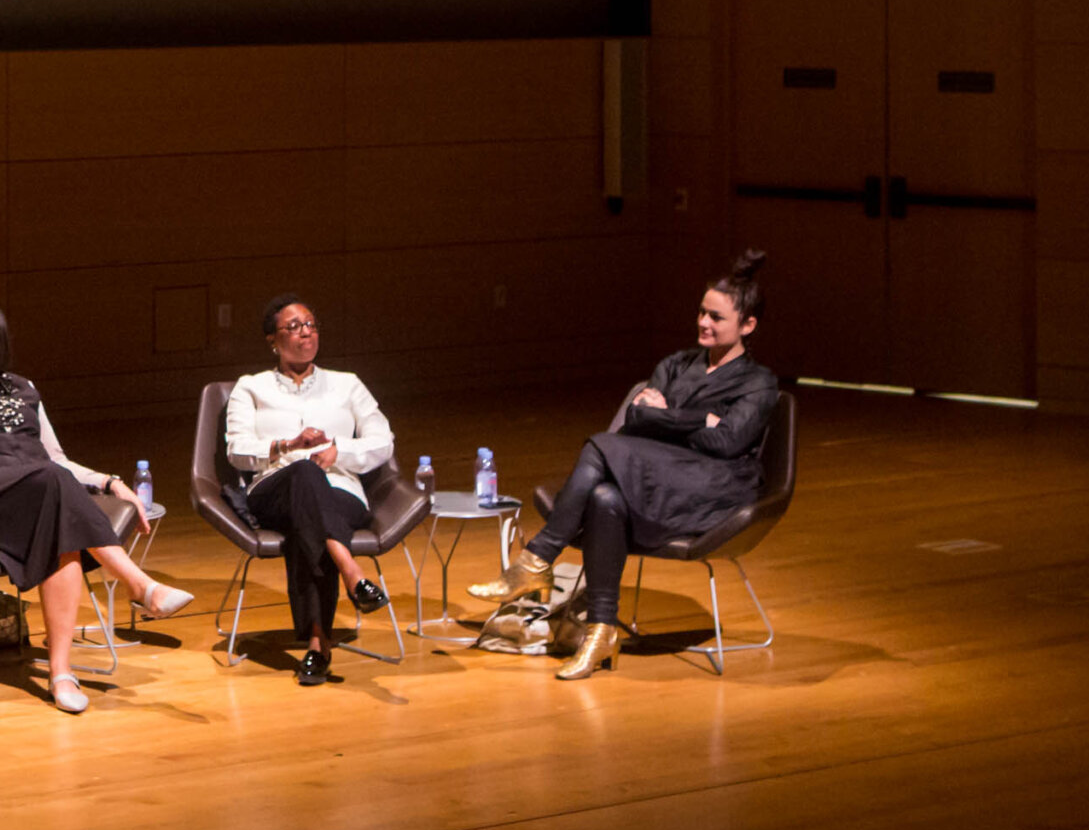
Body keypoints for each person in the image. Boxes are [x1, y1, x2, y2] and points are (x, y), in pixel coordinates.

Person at [472, 250, 784, 678]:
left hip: (711, 488)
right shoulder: (676, 364)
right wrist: (698, 419)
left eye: (716, 317)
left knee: (602, 446)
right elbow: (638, 419)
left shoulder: (758, 382)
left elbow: (727, 442)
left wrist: (667, 416)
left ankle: (536, 559)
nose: (703, 323)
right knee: (604, 497)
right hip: (657, 475)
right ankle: (601, 632)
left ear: (747, 325)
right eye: (701, 312)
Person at [0, 297, 194, 714]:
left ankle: (61, 673)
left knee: (56, 516)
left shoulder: (23, 388)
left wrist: (109, 482)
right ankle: (139, 586)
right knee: (51, 486)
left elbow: (55, 459)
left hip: (30, 493)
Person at [223, 297, 397, 685]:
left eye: (311, 324)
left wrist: (339, 451)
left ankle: (319, 644)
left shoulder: (347, 383)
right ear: (272, 340)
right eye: (294, 326)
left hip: (340, 490)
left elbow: (383, 440)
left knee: (311, 520)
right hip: (273, 491)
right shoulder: (251, 387)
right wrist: (287, 445)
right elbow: (237, 450)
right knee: (303, 473)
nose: (306, 332)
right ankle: (351, 571)